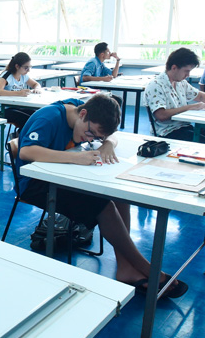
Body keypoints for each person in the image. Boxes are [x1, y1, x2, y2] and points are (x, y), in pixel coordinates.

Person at [15, 93, 188, 298]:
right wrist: (76, 158)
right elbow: (26, 151)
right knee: (103, 206)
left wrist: (107, 144)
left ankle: (125, 268)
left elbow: (113, 136)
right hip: (35, 183)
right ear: (83, 114)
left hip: (62, 176)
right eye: (90, 134)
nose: (90, 140)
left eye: (96, 138)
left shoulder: (83, 110)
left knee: (119, 195)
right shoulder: (50, 117)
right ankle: (147, 268)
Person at [145, 47, 205, 147]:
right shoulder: (156, 85)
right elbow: (161, 115)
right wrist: (190, 107)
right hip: (167, 133)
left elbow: (200, 96)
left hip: (184, 127)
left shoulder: (180, 83)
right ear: (174, 68)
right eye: (186, 71)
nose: (188, 75)